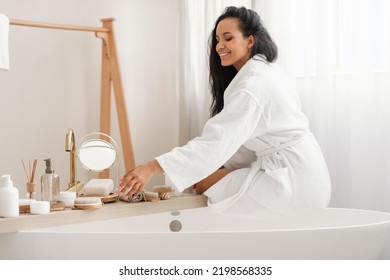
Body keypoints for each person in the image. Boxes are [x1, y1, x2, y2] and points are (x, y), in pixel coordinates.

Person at [118, 6, 331, 217]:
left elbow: (216, 141)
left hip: (292, 184)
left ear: (250, 40)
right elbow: (239, 139)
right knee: (206, 175)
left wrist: (151, 167)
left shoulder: (253, 85)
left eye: (228, 38)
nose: (219, 46)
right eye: (218, 39)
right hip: (309, 176)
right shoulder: (268, 71)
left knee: (202, 183)